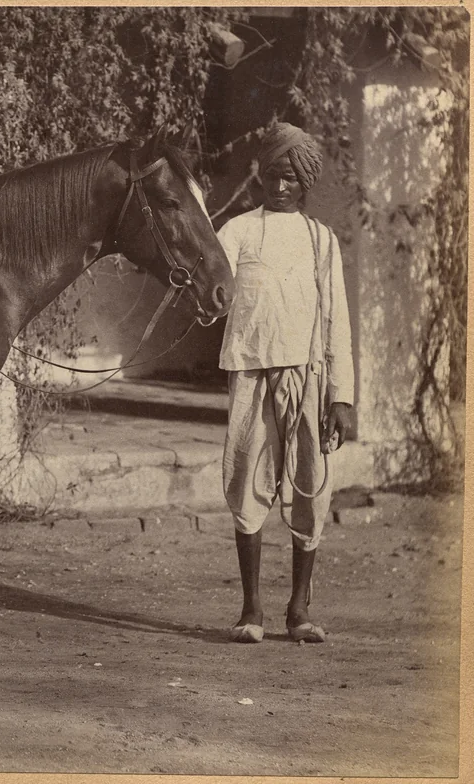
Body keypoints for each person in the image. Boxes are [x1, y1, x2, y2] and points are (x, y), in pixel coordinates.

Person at [216, 122, 356, 644]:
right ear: (260, 176)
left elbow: (337, 320)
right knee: (245, 481)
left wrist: (341, 396)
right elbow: (212, 290)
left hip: (310, 379)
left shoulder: (322, 241)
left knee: (310, 487)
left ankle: (298, 610)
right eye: (273, 175)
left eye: (291, 178)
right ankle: (250, 609)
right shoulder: (237, 232)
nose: (280, 187)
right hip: (252, 374)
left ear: (305, 184)